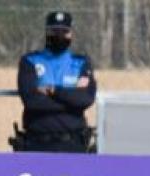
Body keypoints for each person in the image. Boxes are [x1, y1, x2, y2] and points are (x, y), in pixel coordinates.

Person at [11, 11, 96, 153]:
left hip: (73, 143)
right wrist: (71, 101)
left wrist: (53, 91)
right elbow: (32, 101)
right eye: (55, 31)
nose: (59, 36)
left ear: (71, 34)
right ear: (46, 32)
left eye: (64, 31)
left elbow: (85, 99)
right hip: (37, 143)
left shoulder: (80, 63)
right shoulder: (30, 61)